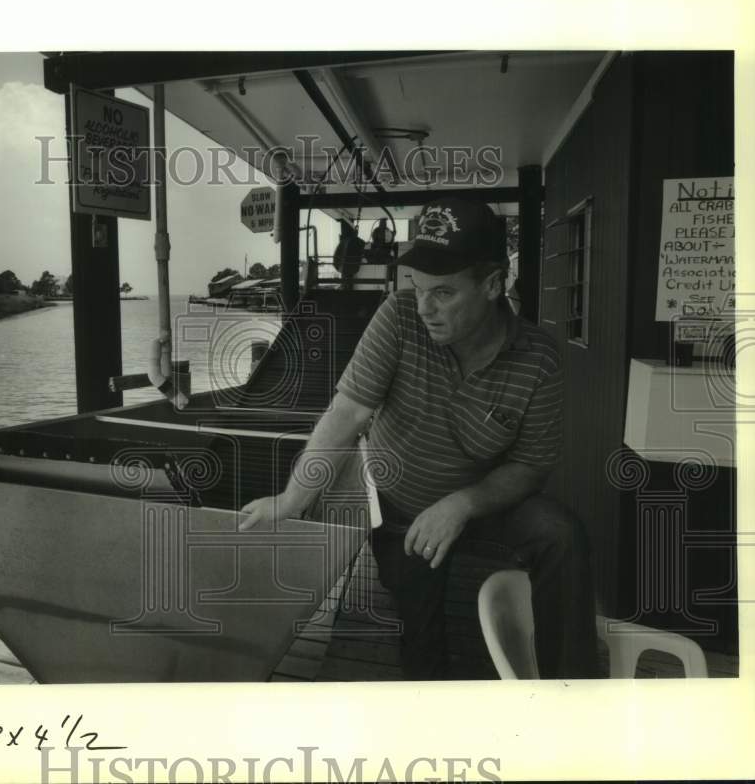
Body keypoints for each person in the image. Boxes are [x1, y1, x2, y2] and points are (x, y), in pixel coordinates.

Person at [240, 197, 598, 680]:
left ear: (494, 284)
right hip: (399, 508)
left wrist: (463, 504)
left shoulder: (539, 358)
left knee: (561, 534)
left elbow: (532, 467)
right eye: (418, 287)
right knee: (421, 637)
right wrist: (290, 500)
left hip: (481, 503)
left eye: (444, 293)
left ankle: (572, 695)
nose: (424, 307)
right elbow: (347, 414)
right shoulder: (400, 316)